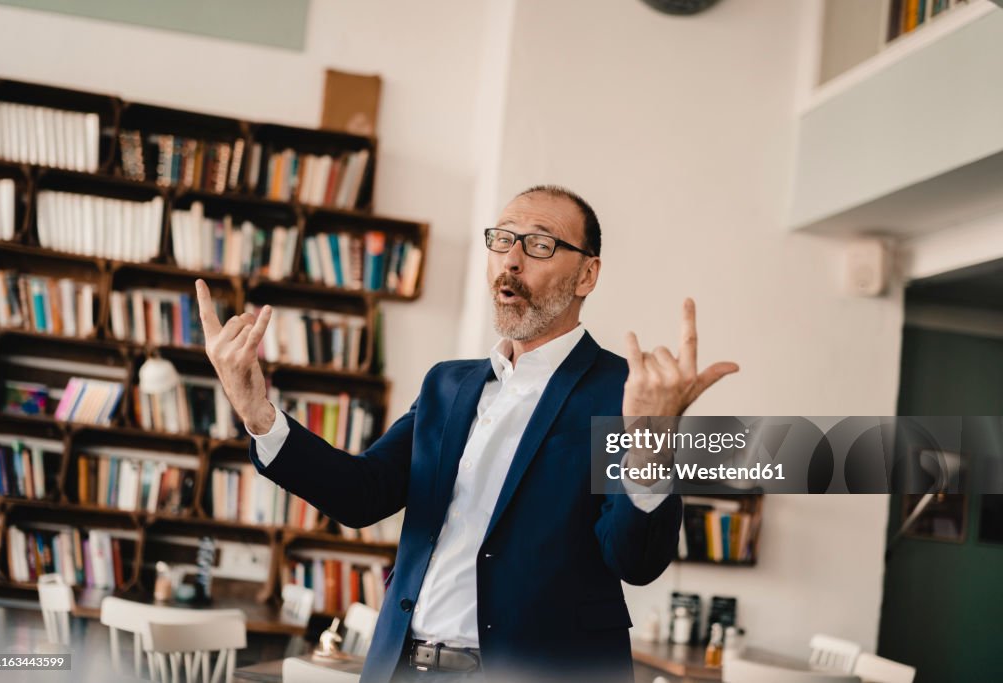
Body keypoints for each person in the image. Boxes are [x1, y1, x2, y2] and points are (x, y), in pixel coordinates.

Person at [194, 185, 738, 683]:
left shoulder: (628, 391)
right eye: (502, 241)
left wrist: (652, 437)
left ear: (587, 275)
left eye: (539, 245)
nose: (511, 260)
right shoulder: (447, 386)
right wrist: (258, 412)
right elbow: (361, 495)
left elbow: (636, 561)